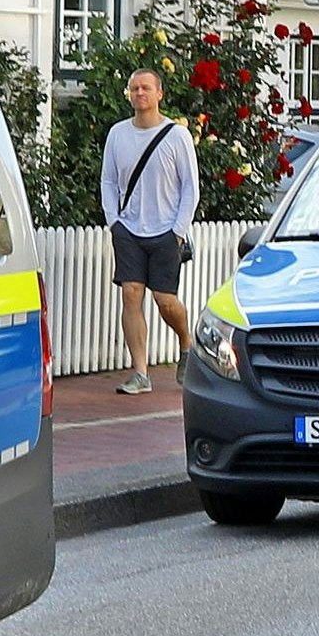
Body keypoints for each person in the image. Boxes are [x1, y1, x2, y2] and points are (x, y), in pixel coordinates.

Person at [101, 66, 200, 395]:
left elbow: (190, 187)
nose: (139, 93)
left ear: (160, 94)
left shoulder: (177, 136)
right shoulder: (117, 134)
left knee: (165, 300)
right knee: (131, 294)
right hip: (128, 228)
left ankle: (186, 345)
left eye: (146, 88)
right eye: (134, 88)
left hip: (166, 231)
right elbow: (108, 180)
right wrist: (113, 220)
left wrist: (178, 230)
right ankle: (140, 372)